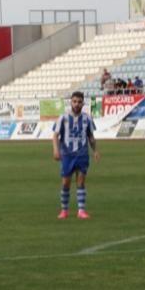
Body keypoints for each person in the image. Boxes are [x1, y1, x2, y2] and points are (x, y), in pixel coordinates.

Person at [52, 91, 100, 220]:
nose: (77, 104)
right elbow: (55, 135)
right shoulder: (63, 117)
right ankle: (64, 210)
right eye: (74, 101)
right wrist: (56, 150)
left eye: (79, 102)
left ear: (83, 103)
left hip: (82, 154)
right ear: (71, 102)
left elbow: (91, 136)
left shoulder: (87, 118)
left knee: (81, 182)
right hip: (67, 154)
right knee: (66, 183)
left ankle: (81, 210)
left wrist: (95, 150)